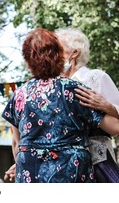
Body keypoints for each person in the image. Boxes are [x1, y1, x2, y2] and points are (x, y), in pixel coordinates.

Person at [1, 28, 119, 183]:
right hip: (70, 172)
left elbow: (17, 143)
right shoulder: (74, 89)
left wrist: (26, 159)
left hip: (32, 172)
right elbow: (115, 127)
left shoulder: (19, 94)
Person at [56, 27, 119, 182]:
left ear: (74, 52)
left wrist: (108, 107)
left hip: (98, 161)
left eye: (57, 48)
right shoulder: (53, 85)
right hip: (63, 164)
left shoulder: (96, 78)